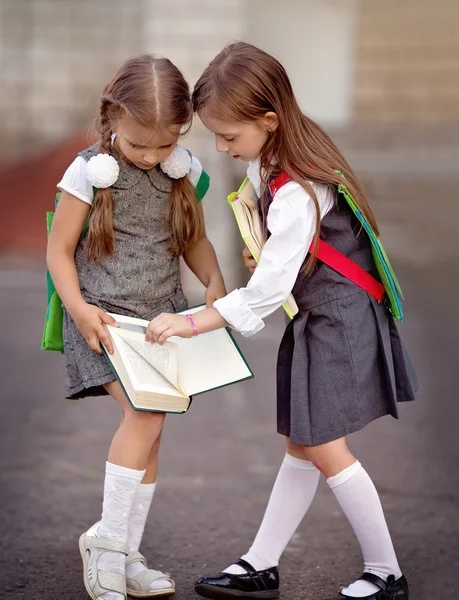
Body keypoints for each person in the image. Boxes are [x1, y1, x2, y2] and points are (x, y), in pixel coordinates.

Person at [146, 42, 418, 600]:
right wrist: (267, 246)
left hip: (338, 319)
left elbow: (267, 291)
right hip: (322, 314)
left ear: (269, 120)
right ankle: (261, 564)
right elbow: (276, 245)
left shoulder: (297, 188)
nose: (223, 147)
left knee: (324, 447)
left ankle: (387, 571)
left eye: (230, 136)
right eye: (216, 135)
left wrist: (193, 322)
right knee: (303, 442)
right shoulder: (277, 151)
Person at [46, 54, 226, 600]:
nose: (150, 157)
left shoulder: (183, 170)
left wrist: (215, 283)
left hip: (161, 320)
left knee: (152, 426)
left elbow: (192, 239)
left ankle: (124, 551)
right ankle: (107, 551)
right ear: (111, 118)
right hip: (101, 317)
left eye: (163, 146)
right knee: (144, 414)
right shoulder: (88, 171)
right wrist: (77, 310)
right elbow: (59, 251)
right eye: (136, 145)